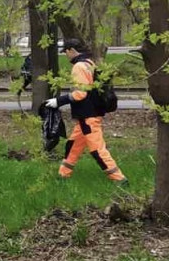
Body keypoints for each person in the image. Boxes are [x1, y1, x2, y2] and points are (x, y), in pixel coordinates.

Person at [43, 38, 126, 183]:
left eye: (66, 52)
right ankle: (63, 174)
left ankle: (119, 179)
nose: (66, 56)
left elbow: (80, 94)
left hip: (88, 118)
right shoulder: (90, 63)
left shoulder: (79, 67)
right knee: (72, 145)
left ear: (71, 50)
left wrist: (58, 101)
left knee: (97, 150)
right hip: (87, 116)